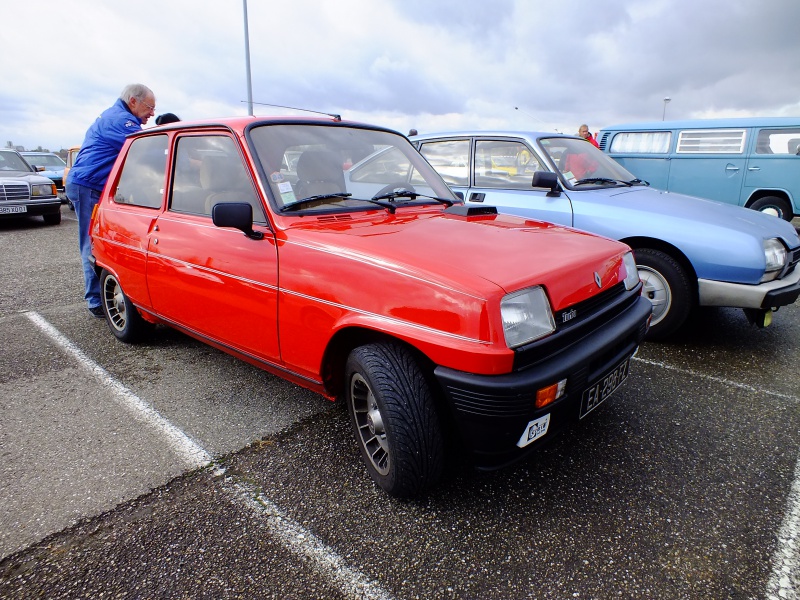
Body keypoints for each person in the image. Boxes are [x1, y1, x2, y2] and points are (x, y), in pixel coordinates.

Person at [66, 83, 156, 318]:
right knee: (91, 243)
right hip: (88, 186)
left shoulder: (117, 116)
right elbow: (147, 150)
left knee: (103, 240)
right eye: (149, 107)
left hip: (93, 185)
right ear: (133, 102)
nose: (152, 113)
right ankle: (96, 302)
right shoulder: (120, 121)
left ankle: (100, 295)